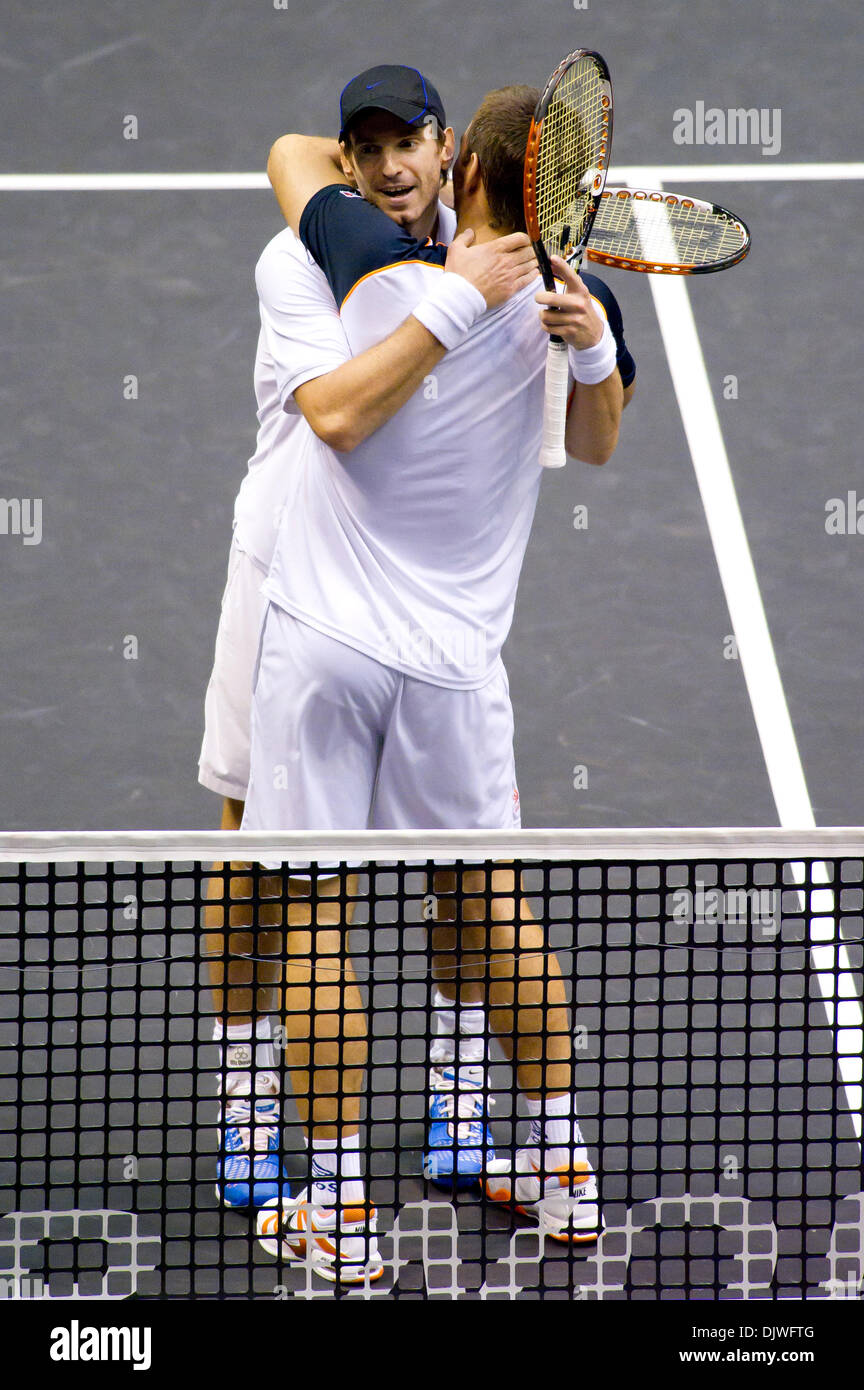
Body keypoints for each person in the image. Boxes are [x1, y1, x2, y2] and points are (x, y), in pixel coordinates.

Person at [248, 82, 636, 1283]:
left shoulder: (365, 262)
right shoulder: (576, 304)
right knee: (494, 910)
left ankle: (341, 1213)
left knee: (315, 919)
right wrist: (599, 350)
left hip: (323, 646)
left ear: (455, 158)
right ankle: (560, 1170)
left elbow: (287, 150)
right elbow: (595, 443)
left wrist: (460, 296)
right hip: (459, 674)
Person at [197, 66, 537, 1216]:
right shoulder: (303, 257)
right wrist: (450, 295)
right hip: (281, 589)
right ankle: (250, 1120)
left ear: (453, 156)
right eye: (370, 146)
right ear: (349, 163)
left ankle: (453, 1106)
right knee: (256, 870)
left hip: (414, 604)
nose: (393, 165)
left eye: (414, 142)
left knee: (464, 882)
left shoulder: (496, 260)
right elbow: (338, 409)